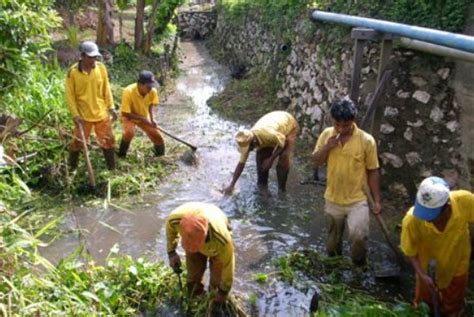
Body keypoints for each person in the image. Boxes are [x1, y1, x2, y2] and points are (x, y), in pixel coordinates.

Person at [312, 98, 381, 266]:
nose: (341, 129)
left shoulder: (366, 141)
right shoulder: (327, 135)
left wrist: (377, 201)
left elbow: (373, 171)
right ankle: (335, 268)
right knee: (332, 245)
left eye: (346, 125)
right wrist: (327, 147)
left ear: (353, 121)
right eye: (337, 125)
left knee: (358, 237)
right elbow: (315, 161)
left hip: (357, 200)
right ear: (332, 121)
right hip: (333, 198)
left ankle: (359, 268)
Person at [401, 176, 474, 316]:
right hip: (426, 269)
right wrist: (422, 275)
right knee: (423, 306)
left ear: (447, 208)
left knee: (453, 304)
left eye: (432, 216)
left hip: (457, 264)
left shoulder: (464, 201)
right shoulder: (412, 221)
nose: (428, 219)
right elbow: (410, 251)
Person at [166, 202, 234, 303]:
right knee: (193, 278)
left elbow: (228, 266)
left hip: (216, 234)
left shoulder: (222, 239)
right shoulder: (174, 220)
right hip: (195, 217)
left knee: (217, 283)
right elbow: (170, 232)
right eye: (190, 246)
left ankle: (212, 301)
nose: (194, 249)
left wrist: (223, 291)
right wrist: (172, 252)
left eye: (195, 246)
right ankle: (195, 299)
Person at [65, 41, 117, 171]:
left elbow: (106, 89)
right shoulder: (73, 73)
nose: (93, 60)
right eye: (90, 57)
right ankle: (72, 169)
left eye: (95, 57)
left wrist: (111, 107)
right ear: (82, 56)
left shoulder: (101, 68)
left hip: (101, 113)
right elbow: (70, 96)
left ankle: (112, 169)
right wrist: (75, 115)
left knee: (108, 141)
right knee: (77, 143)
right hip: (83, 116)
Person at [224, 111, 298, 193]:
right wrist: (232, 185)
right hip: (273, 129)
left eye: (250, 148)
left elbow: (283, 142)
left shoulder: (268, 135)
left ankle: (281, 190)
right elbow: (241, 164)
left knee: (284, 159)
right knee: (261, 160)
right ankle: (262, 187)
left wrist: (271, 159)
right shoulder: (246, 140)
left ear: (254, 142)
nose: (249, 151)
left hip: (288, 125)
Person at [117, 70, 165, 157]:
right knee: (129, 132)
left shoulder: (152, 92)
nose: (150, 89)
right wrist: (143, 119)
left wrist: (152, 118)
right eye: (148, 87)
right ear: (140, 84)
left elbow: (151, 105)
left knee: (157, 135)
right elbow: (125, 113)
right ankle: (121, 154)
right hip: (129, 117)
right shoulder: (128, 91)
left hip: (143, 115)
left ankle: (160, 156)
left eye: (151, 86)